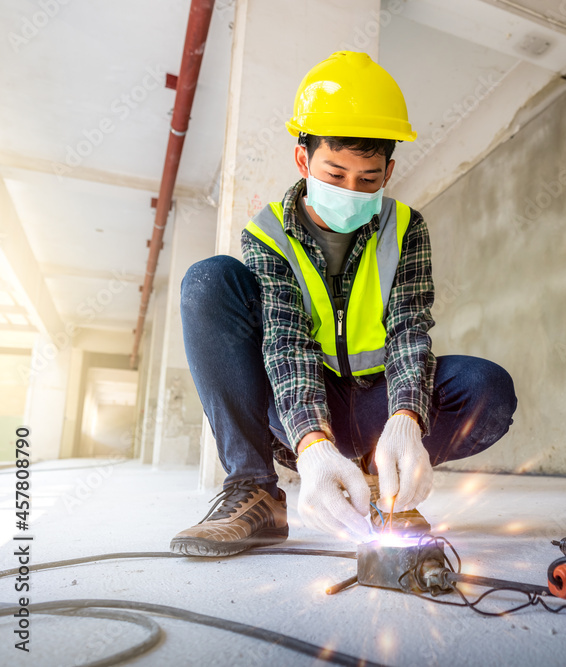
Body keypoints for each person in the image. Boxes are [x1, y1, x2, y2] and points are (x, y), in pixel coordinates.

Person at [170, 51, 517, 557]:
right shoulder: (267, 234)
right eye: (335, 175)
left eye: (368, 180)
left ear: (388, 171)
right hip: (300, 409)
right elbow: (286, 342)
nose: (351, 191)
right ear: (303, 160)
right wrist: (312, 445)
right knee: (209, 281)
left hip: (378, 403)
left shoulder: (405, 228)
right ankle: (254, 491)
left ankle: (384, 480)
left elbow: (408, 330)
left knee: (487, 387)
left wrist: (406, 419)